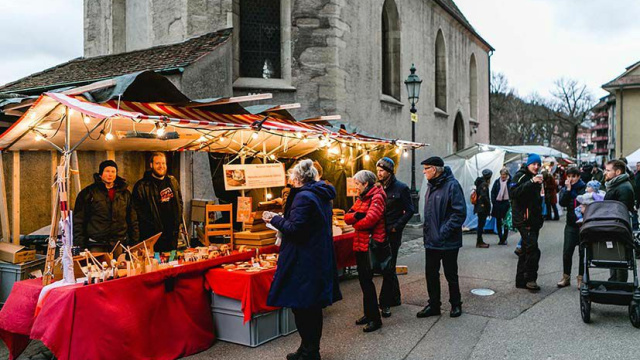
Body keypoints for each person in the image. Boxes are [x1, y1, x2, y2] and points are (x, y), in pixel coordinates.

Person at [264, 159, 341, 360]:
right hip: (315, 256)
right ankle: (307, 348)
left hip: (304, 260)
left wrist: (274, 219)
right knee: (311, 307)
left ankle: (310, 351)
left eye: (291, 175)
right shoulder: (319, 194)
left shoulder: (304, 197)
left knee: (304, 307)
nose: (289, 179)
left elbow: (295, 229)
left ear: (298, 177)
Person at [417, 156, 466, 319]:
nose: (424, 172)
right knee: (430, 274)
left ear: (436, 169)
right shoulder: (431, 186)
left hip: (448, 241)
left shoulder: (452, 185)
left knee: (451, 274)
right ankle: (434, 305)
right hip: (431, 241)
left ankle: (456, 304)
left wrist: (443, 232)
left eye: (426, 168)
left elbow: (459, 213)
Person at [345, 170, 386, 332]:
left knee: (368, 283)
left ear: (366, 184)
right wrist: (357, 216)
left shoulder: (377, 197)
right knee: (363, 281)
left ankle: (375, 319)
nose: (355, 187)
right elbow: (347, 216)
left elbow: (370, 220)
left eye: (357, 184)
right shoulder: (362, 198)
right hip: (360, 245)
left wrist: (356, 221)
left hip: (370, 245)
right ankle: (368, 313)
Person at [376, 157, 414, 318]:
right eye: (377, 170)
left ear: (389, 172)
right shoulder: (378, 188)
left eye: (382, 170)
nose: (379, 173)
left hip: (392, 234)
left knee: (388, 267)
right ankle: (396, 297)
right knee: (388, 267)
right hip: (380, 233)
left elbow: (410, 210)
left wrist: (396, 227)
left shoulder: (401, 188)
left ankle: (385, 304)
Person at [73, 160, 139, 251]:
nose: (110, 174)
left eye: (113, 171)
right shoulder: (88, 193)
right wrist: (79, 245)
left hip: (118, 242)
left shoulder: (125, 194)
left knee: (119, 265)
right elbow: (79, 220)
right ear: (101, 174)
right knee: (97, 265)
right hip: (96, 243)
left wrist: (134, 242)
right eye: (107, 171)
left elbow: (132, 219)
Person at [132, 152, 184, 252]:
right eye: (157, 163)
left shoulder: (173, 181)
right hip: (153, 238)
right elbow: (135, 215)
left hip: (171, 237)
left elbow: (180, 203)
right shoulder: (141, 186)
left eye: (163, 163)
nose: (161, 166)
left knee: (171, 264)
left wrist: (178, 222)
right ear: (151, 165)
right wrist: (136, 239)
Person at [510, 153, 544, 292]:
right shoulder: (521, 176)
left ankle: (520, 280)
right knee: (533, 250)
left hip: (534, 220)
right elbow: (513, 193)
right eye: (533, 164)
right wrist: (531, 183)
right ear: (528, 164)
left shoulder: (535, 177)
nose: (536, 167)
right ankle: (530, 279)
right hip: (524, 220)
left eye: (538, 164)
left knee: (525, 250)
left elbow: (536, 200)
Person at [604, 159, 636, 283]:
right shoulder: (616, 184)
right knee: (613, 255)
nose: (605, 173)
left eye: (608, 170)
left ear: (617, 172)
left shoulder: (623, 187)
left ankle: (620, 285)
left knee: (619, 256)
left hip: (618, 227)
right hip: (614, 225)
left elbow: (621, 210)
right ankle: (614, 282)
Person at [556, 167, 586, 288]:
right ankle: (566, 277)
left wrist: (570, 191)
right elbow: (562, 203)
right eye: (569, 176)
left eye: (573, 176)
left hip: (583, 224)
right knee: (567, 251)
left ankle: (581, 278)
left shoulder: (584, 187)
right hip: (570, 224)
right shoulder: (566, 187)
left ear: (578, 176)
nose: (571, 179)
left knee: (582, 252)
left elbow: (581, 200)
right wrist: (567, 190)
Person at [491, 168, 511, 245]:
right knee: (498, 221)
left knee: (506, 222)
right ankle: (500, 238)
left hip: (506, 203)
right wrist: (494, 202)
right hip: (498, 204)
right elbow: (493, 192)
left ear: (507, 175)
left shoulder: (509, 182)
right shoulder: (497, 182)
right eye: (502, 174)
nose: (503, 176)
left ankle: (505, 238)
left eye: (504, 175)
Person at [474, 169, 492, 248]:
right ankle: (479, 241)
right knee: (481, 225)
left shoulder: (479, 182)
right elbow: (484, 196)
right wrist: (489, 205)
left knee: (480, 224)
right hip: (482, 207)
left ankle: (480, 240)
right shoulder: (484, 184)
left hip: (479, 207)